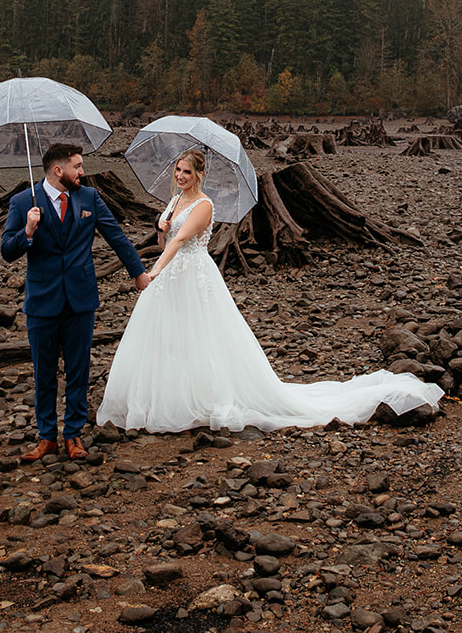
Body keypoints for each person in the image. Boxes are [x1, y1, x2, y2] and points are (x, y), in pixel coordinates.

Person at [98, 149, 442, 433]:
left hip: (192, 274)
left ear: (199, 174)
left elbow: (184, 240)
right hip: (172, 275)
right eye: (177, 170)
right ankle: (169, 395)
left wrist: (153, 270)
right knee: (168, 336)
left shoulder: (203, 205)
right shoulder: (173, 202)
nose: (180, 176)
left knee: (199, 334)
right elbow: (166, 240)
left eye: (186, 171)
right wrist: (161, 227)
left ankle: (204, 397)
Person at [2, 142, 145, 462]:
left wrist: (138, 273)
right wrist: (27, 230)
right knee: (44, 372)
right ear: (58, 170)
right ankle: (46, 437)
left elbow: (116, 236)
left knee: (79, 370)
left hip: (81, 298)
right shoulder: (23, 202)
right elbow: (7, 251)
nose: (82, 172)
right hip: (42, 301)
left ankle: (74, 434)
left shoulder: (89, 197)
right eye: (77, 166)